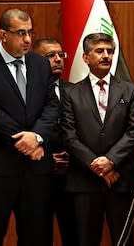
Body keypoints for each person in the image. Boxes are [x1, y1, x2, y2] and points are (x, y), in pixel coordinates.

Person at [0, 8, 60, 246]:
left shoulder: (41, 65)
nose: (28, 39)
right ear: (3, 34)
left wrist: (37, 136)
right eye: (21, 33)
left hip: (36, 171)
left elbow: (52, 106)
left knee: (36, 237)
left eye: (30, 32)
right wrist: (26, 141)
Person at [60, 32, 134, 246]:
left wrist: (111, 161)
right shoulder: (71, 93)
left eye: (110, 51)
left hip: (120, 178)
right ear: (86, 58)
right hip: (84, 182)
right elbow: (69, 135)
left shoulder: (129, 90)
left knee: (124, 241)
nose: (106, 55)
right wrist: (97, 165)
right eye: (99, 51)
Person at [33, 38, 78, 246]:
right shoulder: (25, 93)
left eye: (61, 55)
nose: (58, 59)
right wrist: (48, 158)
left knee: (75, 235)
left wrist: (72, 156)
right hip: (38, 174)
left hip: (72, 176)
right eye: (50, 56)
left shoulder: (76, 91)